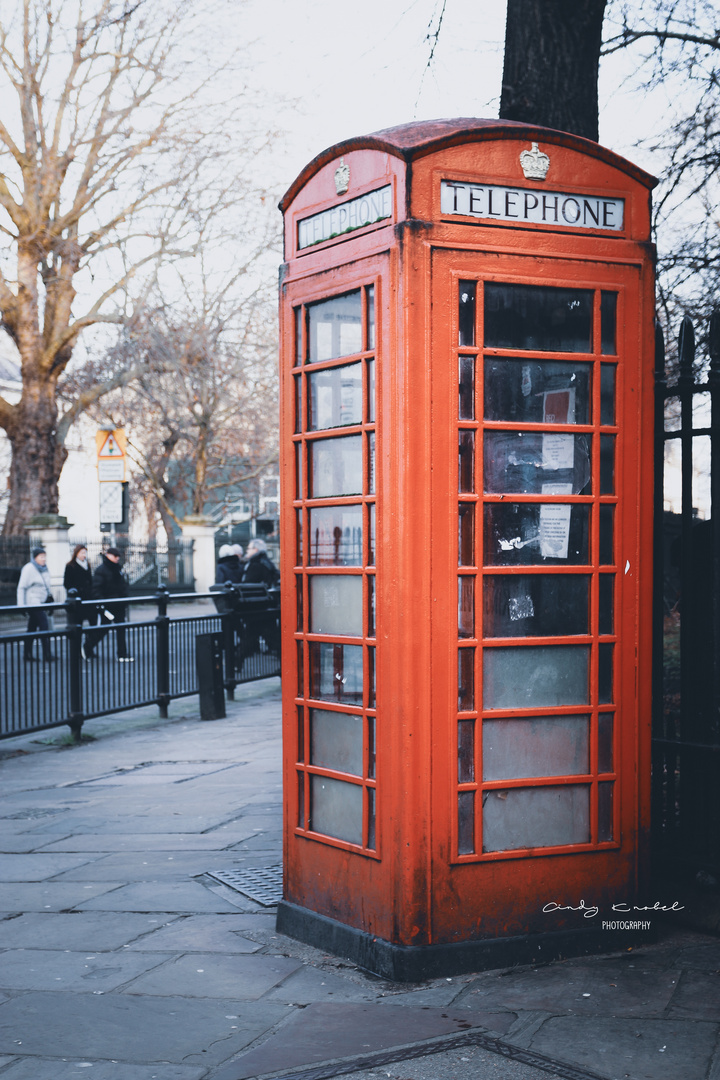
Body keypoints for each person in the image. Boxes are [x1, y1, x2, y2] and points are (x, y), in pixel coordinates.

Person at [85, 547, 133, 661]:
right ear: (108, 555)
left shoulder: (118, 568)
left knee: (121, 629)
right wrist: (102, 603)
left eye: (118, 556)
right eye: (115, 556)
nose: (117, 558)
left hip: (119, 604)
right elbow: (97, 588)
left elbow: (122, 585)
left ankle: (122, 653)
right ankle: (88, 646)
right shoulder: (101, 570)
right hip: (108, 604)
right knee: (103, 629)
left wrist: (124, 597)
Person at [16, 547, 56, 662]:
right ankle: (46, 654)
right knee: (44, 625)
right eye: (41, 556)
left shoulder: (44, 568)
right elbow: (21, 587)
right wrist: (21, 605)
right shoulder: (28, 569)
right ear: (35, 557)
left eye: (45, 556)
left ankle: (27, 654)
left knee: (32, 629)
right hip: (32, 602)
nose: (44, 559)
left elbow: (47, 585)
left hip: (42, 602)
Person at [63, 544, 94, 628]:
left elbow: (90, 582)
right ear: (76, 553)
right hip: (78, 600)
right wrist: (75, 590)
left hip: (88, 599)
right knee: (78, 625)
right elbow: (67, 583)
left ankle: (90, 641)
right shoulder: (70, 566)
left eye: (85, 553)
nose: (84, 555)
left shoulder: (87, 565)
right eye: (82, 553)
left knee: (93, 624)